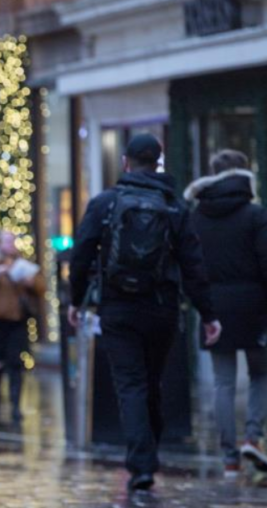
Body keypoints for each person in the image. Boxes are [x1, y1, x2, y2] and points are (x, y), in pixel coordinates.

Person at [68, 134, 221, 491]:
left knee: (131, 384)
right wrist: (208, 313)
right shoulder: (174, 207)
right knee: (152, 382)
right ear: (158, 163)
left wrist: (76, 300)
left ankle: (141, 465)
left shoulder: (105, 203)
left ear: (126, 162)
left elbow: (81, 254)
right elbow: (193, 264)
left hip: (118, 308)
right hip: (161, 307)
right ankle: (148, 453)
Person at [184, 149, 267, 476]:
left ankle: (229, 456)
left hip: (213, 306)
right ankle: (253, 437)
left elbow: (190, 266)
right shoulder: (255, 215)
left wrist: (201, 306)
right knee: (261, 373)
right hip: (255, 306)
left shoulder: (197, 217)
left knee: (223, 382)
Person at [0, 231, 45, 427]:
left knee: (15, 365)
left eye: (13, 241)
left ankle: (15, 408)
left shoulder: (22, 263)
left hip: (17, 321)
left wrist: (30, 282)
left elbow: (41, 287)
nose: (11, 244)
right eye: (7, 241)